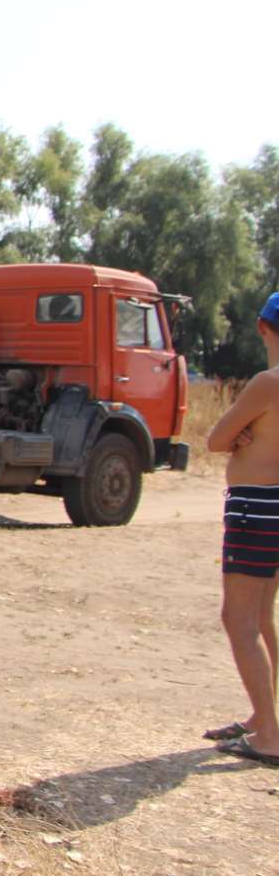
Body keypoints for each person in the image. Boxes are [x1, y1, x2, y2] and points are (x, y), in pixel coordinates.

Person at [205, 291, 279, 767]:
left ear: (261, 326)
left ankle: (270, 737)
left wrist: (240, 435)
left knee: (238, 619)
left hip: (256, 507)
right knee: (264, 618)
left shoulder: (266, 383)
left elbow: (214, 439)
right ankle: (265, 715)